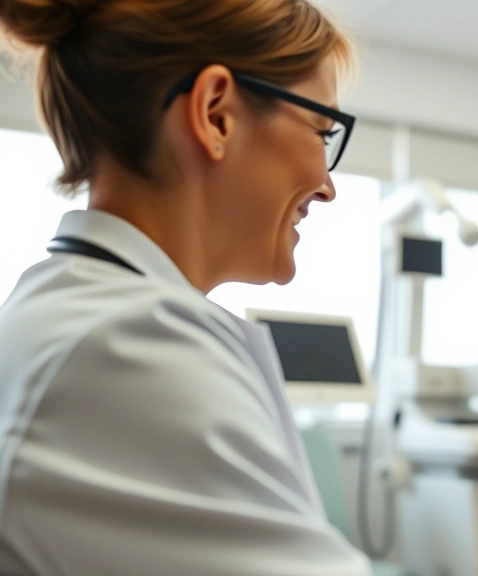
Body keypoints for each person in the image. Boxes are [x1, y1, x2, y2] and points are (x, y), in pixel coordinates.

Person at [0, 0, 371, 574]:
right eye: (322, 131)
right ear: (215, 113)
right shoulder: (126, 348)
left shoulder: (86, 318)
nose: (327, 186)